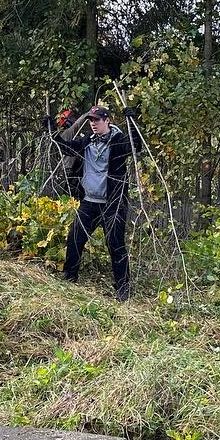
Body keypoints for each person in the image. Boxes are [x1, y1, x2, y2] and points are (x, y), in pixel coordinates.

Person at [52, 105, 137, 300]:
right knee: (75, 238)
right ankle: (69, 276)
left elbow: (135, 147)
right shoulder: (87, 141)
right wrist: (52, 132)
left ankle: (123, 287)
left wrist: (132, 124)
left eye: (97, 120)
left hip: (112, 204)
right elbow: (66, 148)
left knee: (115, 244)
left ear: (107, 120)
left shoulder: (118, 141)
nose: (93, 124)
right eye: (91, 120)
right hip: (89, 202)